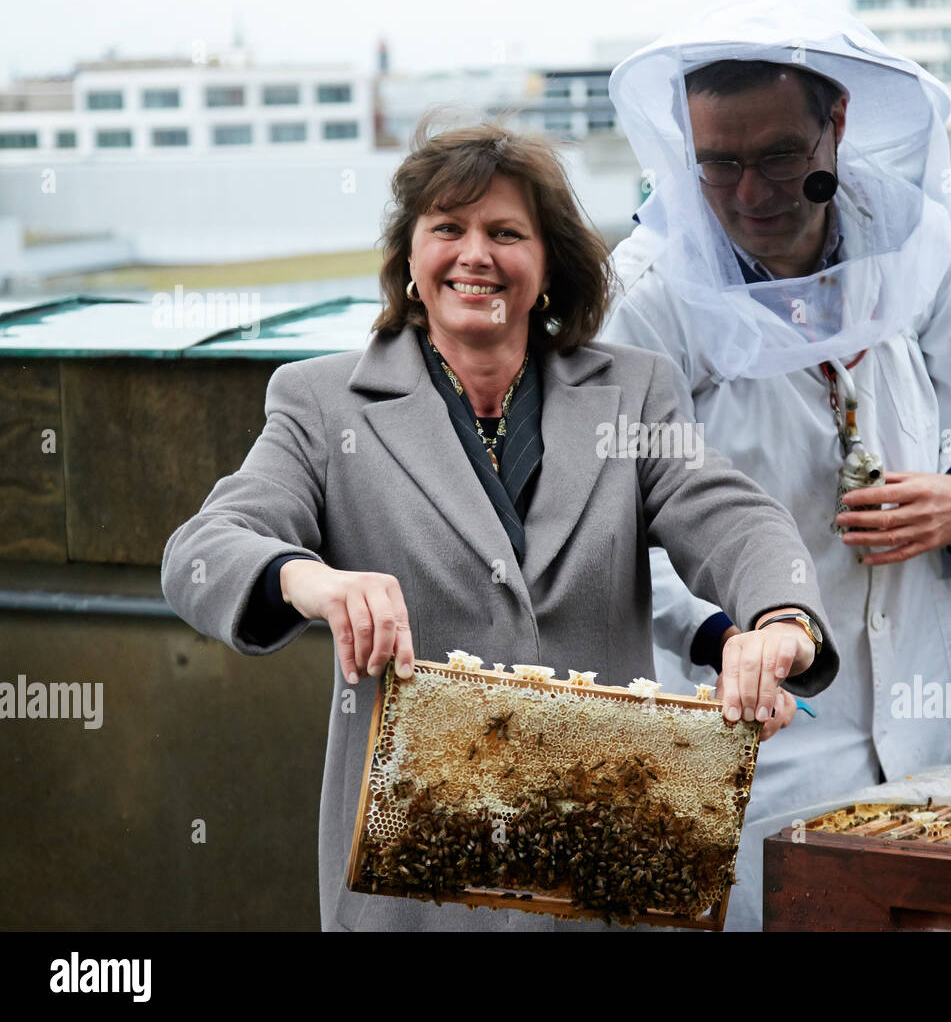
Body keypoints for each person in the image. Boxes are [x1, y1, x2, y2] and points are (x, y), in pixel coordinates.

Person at [160, 120, 841, 931]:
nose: (474, 254)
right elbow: (200, 553)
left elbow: (734, 518)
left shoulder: (634, 391)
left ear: (548, 261)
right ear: (410, 258)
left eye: (506, 233)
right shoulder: (320, 402)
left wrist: (781, 621)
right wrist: (308, 578)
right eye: (447, 228)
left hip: (602, 891)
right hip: (412, 901)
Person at [599, 0, 951, 930]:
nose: (750, 191)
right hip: (762, 740)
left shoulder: (909, 242)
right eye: (719, 163)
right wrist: (731, 633)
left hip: (931, 709)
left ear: (836, 121)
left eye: (781, 157)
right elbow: (615, 536)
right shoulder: (649, 297)